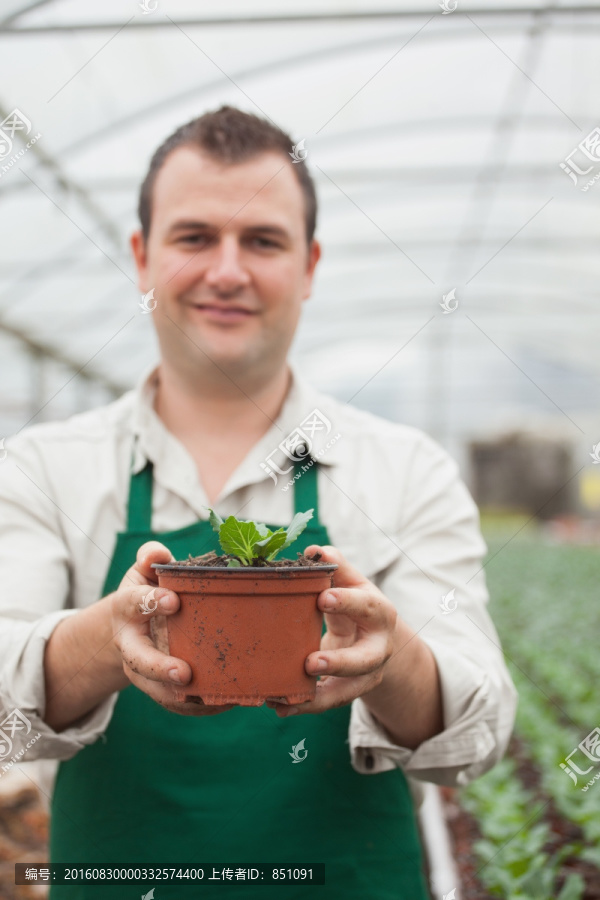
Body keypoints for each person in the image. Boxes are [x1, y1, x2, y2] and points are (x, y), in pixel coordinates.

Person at [0, 106, 517, 899]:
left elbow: (475, 735)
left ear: (309, 266)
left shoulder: (405, 470)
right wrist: (106, 643)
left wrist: (395, 660)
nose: (228, 271)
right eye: (195, 237)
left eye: (263, 241)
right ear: (142, 257)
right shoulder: (42, 468)